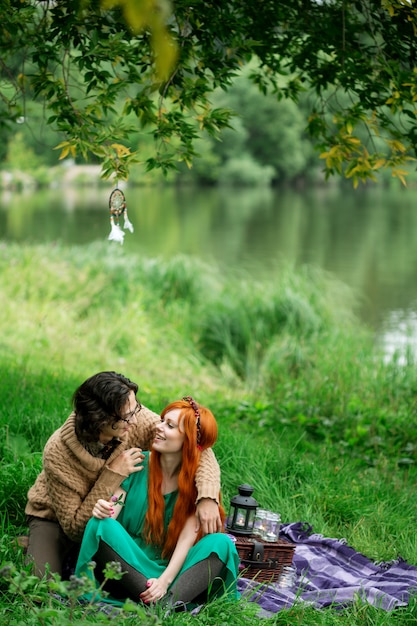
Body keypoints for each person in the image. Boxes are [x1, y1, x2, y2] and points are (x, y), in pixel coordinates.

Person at [25, 372, 222, 578]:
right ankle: (42, 544)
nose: (136, 419)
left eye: (136, 408)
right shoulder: (57, 454)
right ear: (101, 419)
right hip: (56, 518)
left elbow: (196, 443)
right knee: (42, 583)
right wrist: (113, 474)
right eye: (128, 415)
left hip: (111, 513)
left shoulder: (134, 420)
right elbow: (77, 529)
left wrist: (207, 497)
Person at [75, 396, 239, 610]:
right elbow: (113, 509)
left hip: (174, 572)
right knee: (100, 525)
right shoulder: (136, 462)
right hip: (129, 565)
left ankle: (165, 602)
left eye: (169, 426)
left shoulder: (197, 484)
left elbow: (186, 541)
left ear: (188, 439)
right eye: (162, 420)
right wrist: (103, 509)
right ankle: (159, 603)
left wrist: (164, 581)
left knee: (222, 543)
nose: (159, 428)